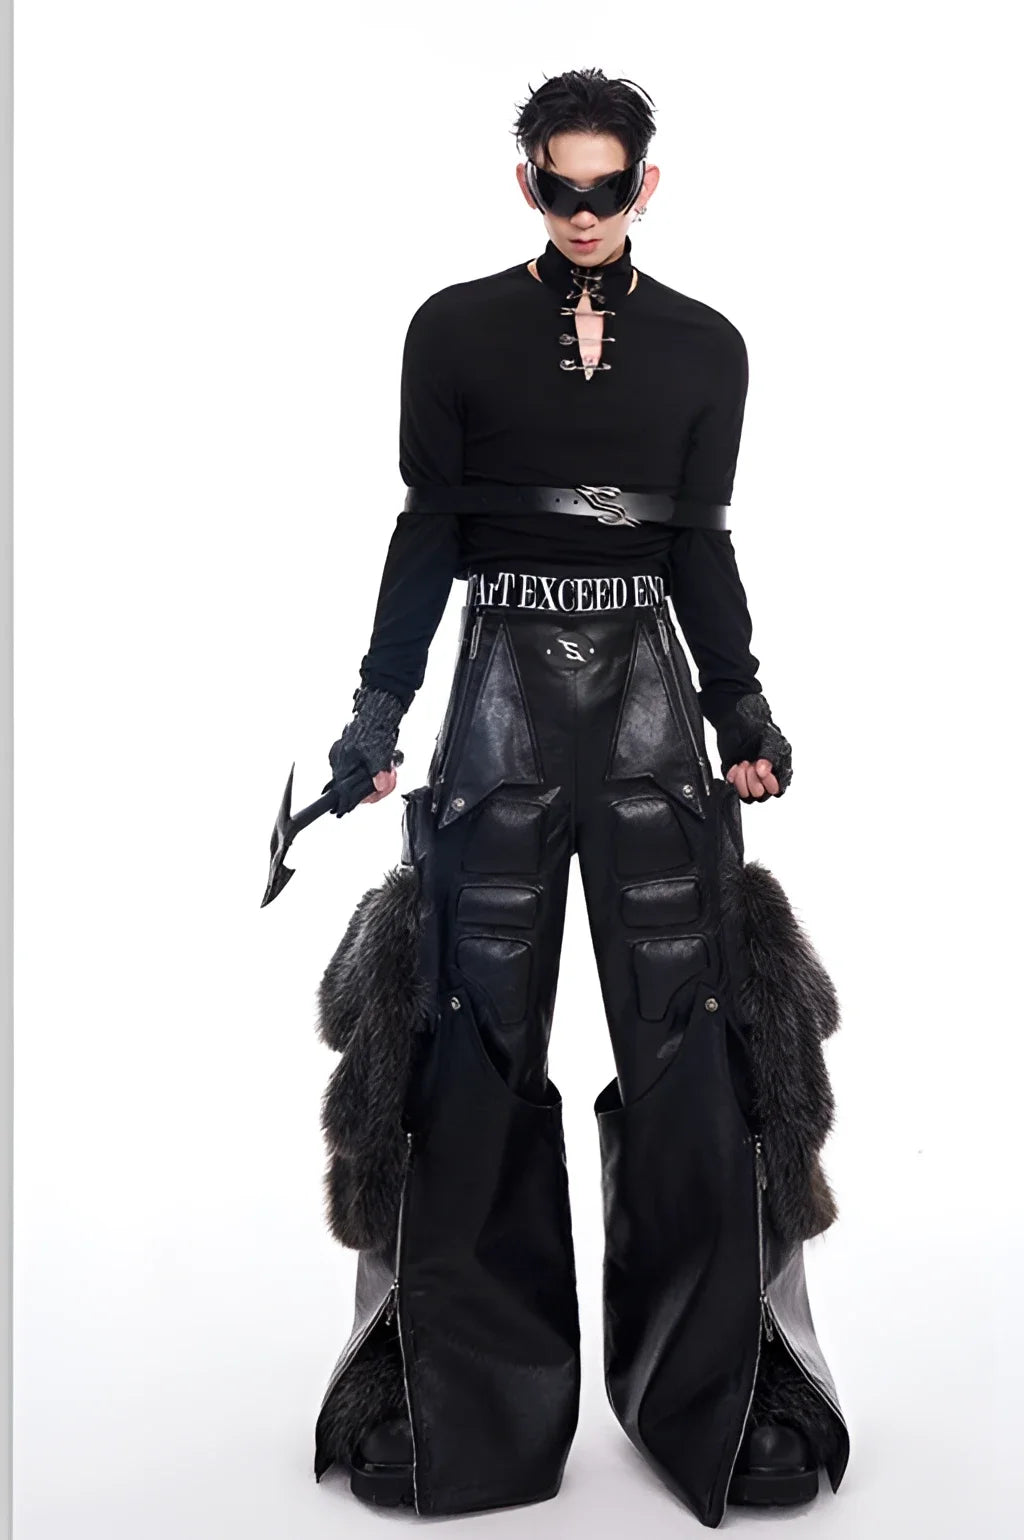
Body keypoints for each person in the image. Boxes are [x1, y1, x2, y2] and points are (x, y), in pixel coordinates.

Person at [311, 67, 849, 1526]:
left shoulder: (706, 347)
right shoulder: (453, 330)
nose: (588, 210)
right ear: (528, 183)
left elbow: (701, 544)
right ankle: (446, 1388)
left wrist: (742, 703)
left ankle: (732, 1388)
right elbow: (428, 528)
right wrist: (377, 711)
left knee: (694, 1030)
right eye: (563, 185)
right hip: (496, 686)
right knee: (468, 1031)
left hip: (648, 694)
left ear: (647, 186)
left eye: (612, 188)